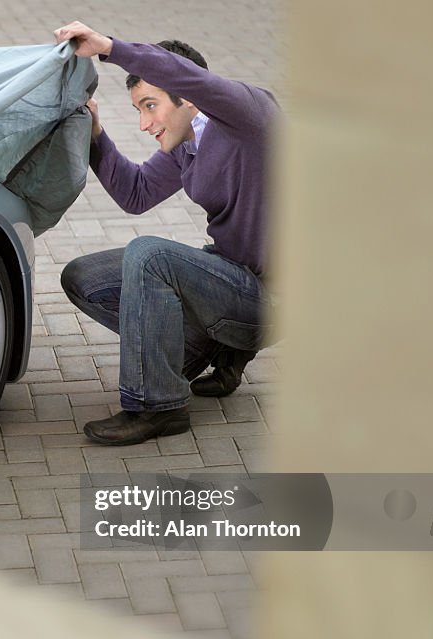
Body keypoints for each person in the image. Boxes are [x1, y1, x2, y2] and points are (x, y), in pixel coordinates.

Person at [52, 21, 279, 445]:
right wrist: (96, 134)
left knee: (151, 256)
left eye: (150, 105)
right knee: (84, 276)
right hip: (233, 278)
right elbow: (135, 194)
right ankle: (196, 351)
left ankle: (157, 405)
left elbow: (185, 74)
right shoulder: (188, 144)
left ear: (189, 95)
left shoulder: (250, 116)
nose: (144, 123)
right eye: (139, 109)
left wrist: (109, 47)